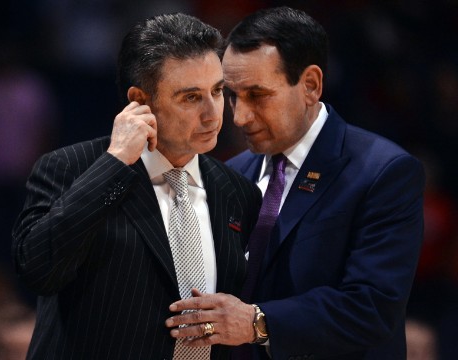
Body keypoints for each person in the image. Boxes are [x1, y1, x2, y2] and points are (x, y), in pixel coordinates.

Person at [164, 6, 426, 360]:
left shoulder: (383, 172)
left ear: (310, 86)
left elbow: (372, 307)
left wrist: (257, 323)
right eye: (232, 95)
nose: (239, 117)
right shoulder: (229, 173)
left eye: (257, 96)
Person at [11, 12, 262, 360]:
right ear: (140, 100)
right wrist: (115, 162)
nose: (212, 113)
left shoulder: (238, 191)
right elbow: (37, 270)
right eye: (190, 97)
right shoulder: (70, 168)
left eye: (217, 91)